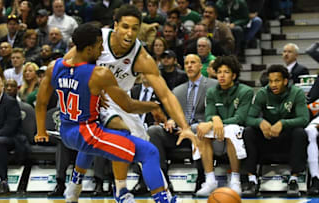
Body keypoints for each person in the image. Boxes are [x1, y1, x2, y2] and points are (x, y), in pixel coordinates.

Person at [34, 23, 197, 203]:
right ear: (89, 49)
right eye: (98, 45)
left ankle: (76, 185)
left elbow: (41, 103)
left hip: (66, 131)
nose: (102, 48)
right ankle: (162, 200)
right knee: (148, 151)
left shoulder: (53, 67)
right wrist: (153, 106)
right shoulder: (99, 74)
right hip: (87, 134)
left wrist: (41, 131)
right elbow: (128, 106)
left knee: (116, 131)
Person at [148, 54, 217, 194]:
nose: (189, 66)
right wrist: (172, 121)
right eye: (186, 63)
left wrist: (194, 126)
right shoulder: (177, 90)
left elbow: (214, 113)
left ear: (200, 66)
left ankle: (202, 179)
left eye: (193, 62)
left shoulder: (213, 85)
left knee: (198, 129)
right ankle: (163, 181)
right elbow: (172, 114)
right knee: (153, 131)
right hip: (179, 133)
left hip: (201, 133)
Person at [242, 64, 309, 197]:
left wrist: (283, 123)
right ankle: (252, 180)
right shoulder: (262, 93)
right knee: (249, 131)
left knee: (300, 132)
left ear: (285, 81)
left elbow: (304, 119)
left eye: (277, 81)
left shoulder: (296, 93)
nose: (273, 84)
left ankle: (294, 180)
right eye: (271, 81)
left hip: (287, 139)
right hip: (268, 138)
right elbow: (247, 118)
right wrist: (260, 122)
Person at [194, 55, 254, 196]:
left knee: (231, 129)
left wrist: (219, 122)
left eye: (226, 72)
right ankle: (209, 180)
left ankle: (235, 179)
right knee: (201, 129)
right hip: (217, 131)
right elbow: (209, 115)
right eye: (219, 72)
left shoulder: (246, 91)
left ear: (233, 75)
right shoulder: (212, 92)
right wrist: (213, 120)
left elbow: (240, 118)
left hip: (240, 131)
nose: (222, 75)